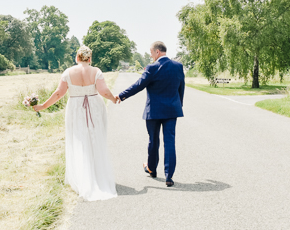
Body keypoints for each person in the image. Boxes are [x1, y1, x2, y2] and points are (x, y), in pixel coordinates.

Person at [33, 45, 119, 201]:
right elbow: (104, 91)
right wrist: (114, 99)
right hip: (95, 107)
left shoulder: (68, 72)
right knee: (95, 140)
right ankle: (98, 177)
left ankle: (83, 179)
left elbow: (59, 93)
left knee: (79, 140)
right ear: (90, 58)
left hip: (75, 108)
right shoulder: (96, 71)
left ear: (77, 57)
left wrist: (42, 106)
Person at [117, 41, 185, 187]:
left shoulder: (152, 68)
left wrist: (122, 96)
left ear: (157, 52)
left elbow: (138, 85)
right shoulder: (178, 67)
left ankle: (152, 169)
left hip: (153, 111)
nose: (150, 55)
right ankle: (169, 177)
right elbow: (181, 88)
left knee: (153, 141)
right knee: (170, 142)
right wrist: (179, 105)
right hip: (172, 111)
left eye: (151, 52)